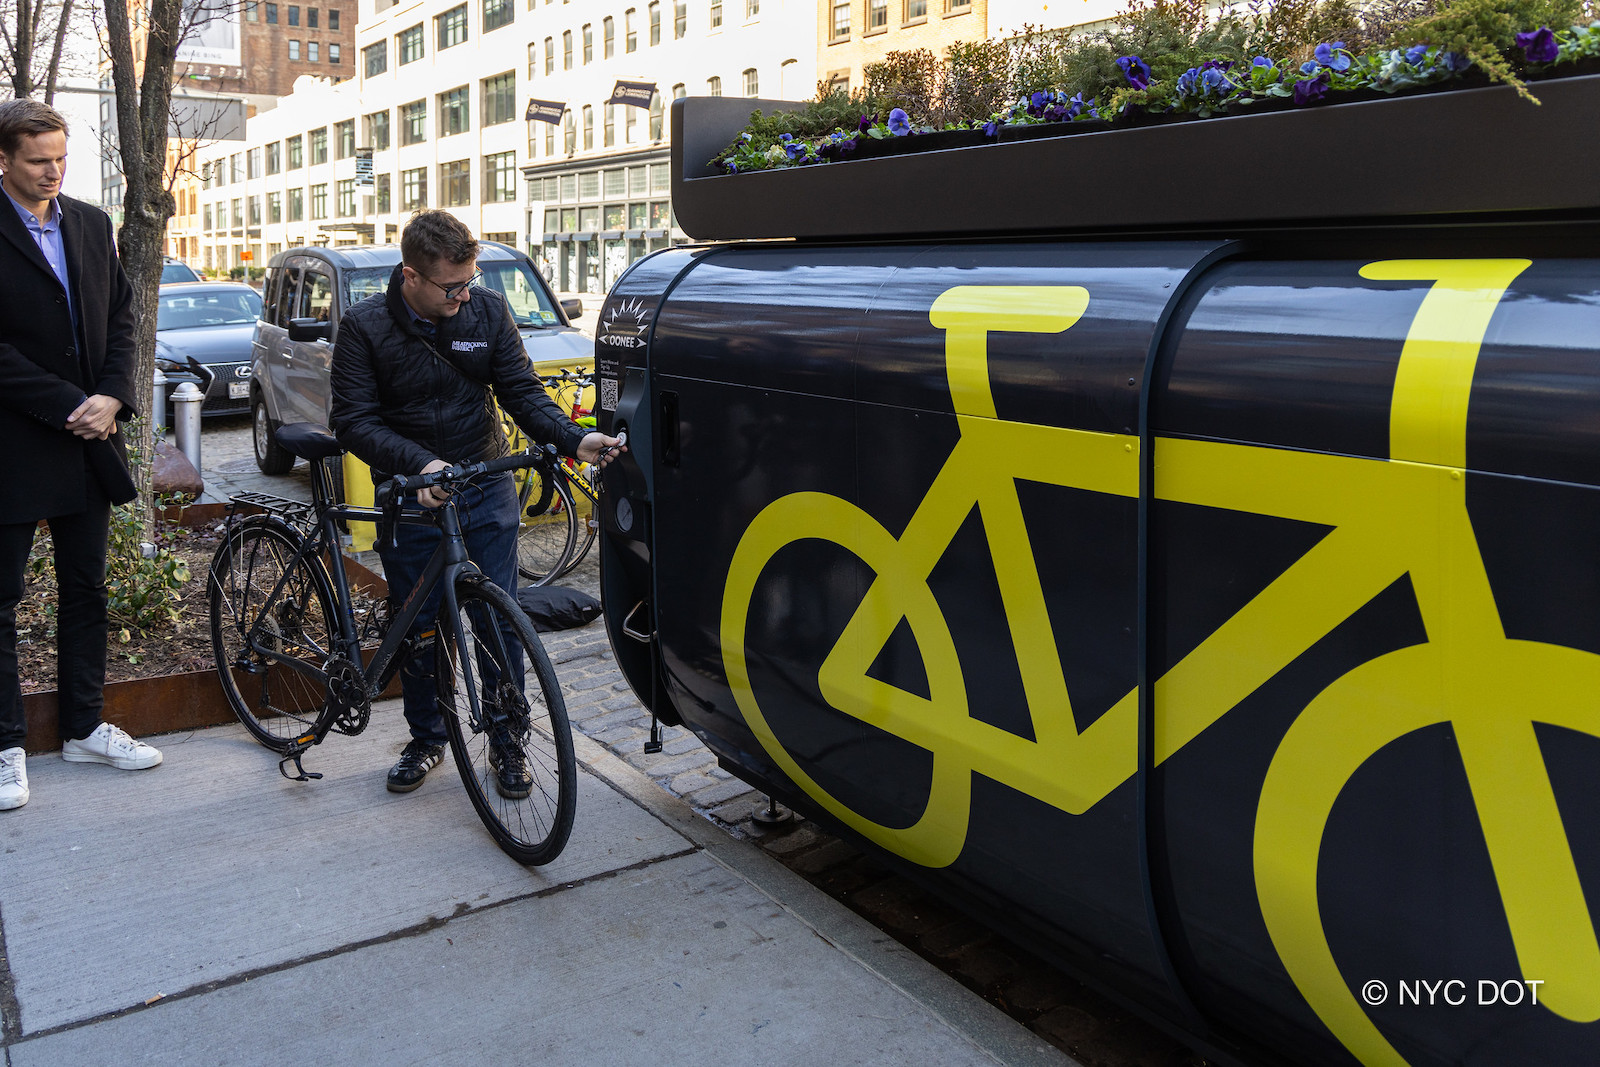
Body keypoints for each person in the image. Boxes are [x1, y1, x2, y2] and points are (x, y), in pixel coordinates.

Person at [331, 210, 623, 795]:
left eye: (471, 281)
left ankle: (507, 739)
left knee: (498, 620)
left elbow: (521, 391)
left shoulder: (487, 310)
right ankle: (428, 737)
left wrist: (574, 439)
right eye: (452, 286)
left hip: (484, 483)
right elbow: (353, 422)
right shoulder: (364, 327)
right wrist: (418, 466)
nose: (465, 296)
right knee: (420, 626)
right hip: (413, 495)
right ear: (410, 275)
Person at [0, 99, 164, 812]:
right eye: (38, 160)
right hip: (14, 443)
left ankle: (83, 726)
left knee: (86, 590)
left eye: (61, 157)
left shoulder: (92, 224)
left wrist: (112, 395)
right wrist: (74, 402)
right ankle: (6, 746)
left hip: (91, 440)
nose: (53, 172)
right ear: (3, 159)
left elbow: (121, 316)